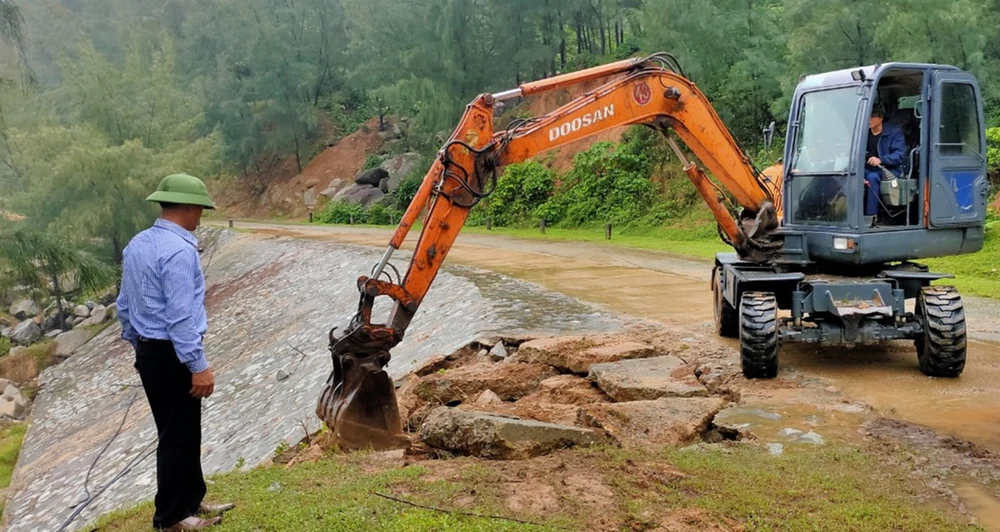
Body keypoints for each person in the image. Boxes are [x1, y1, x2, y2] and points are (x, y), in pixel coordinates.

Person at [117, 174, 234, 531]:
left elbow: (124, 304)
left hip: (151, 353)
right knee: (176, 435)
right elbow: (181, 316)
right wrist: (197, 365)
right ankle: (171, 518)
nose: (200, 214)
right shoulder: (179, 251)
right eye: (199, 207)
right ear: (188, 206)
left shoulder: (138, 244)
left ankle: (191, 500)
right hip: (173, 354)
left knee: (184, 430)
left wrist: (138, 343)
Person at [864, 105, 908, 217]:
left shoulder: (894, 132)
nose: (869, 120)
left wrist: (881, 160)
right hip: (868, 168)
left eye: (872, 116)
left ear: (881, 118)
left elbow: (899, 155)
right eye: (867, 116)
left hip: (890, 169)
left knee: (872, 177)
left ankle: (871, 216)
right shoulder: (863, 133)